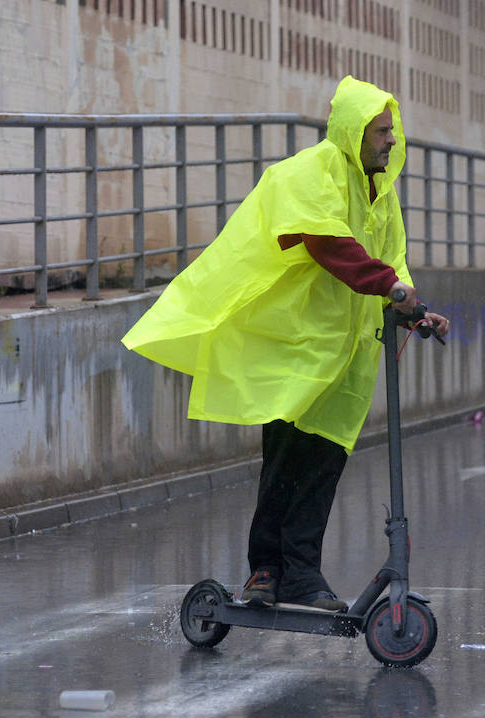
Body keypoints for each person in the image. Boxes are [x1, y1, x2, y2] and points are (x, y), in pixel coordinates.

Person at [121, 76, 448, 612]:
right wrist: (388, 285)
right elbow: (325, 241)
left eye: (393, 131)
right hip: (292, 342)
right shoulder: (310, 172)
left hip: (343, 352)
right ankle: (266, 570)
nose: (392, 139)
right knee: (285, 459)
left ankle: (301, 574)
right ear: (354, 131)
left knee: (322, 464)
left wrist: (415, 307)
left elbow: (393, 262)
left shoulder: (382, 196)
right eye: (382, 131)